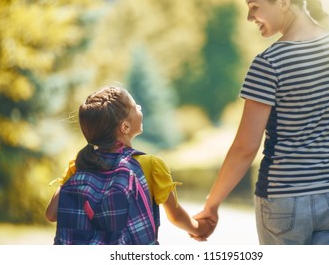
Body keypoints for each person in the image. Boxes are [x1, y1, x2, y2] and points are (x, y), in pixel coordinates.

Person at [193, 0, 329, 245]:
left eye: (254, 6)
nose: (249, 17)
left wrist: (211, 205)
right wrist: (325, 172)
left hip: (283, 201)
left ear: (283, 2)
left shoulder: (269, 63)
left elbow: (245, 148)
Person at [46, 86, 210, 244]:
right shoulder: (150, 165)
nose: (139, 106)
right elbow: (176, 216)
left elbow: (51, 214)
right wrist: (199, 228)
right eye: (135, 106)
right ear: (125, 126)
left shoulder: (80, 164)